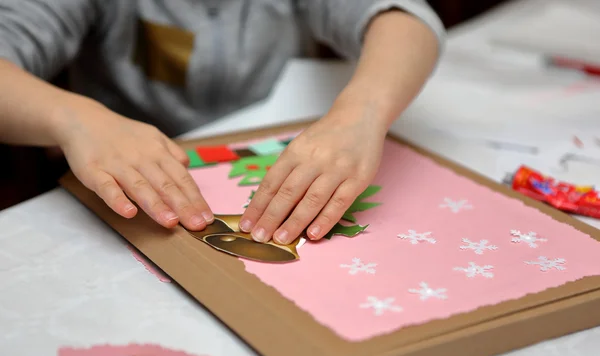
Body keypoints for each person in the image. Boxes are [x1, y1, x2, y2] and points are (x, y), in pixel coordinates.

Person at [0, 0, 444, 245]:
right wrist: (76, 120)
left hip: (274, 153)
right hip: (127, 203)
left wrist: (360, 114)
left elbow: (407, 19)